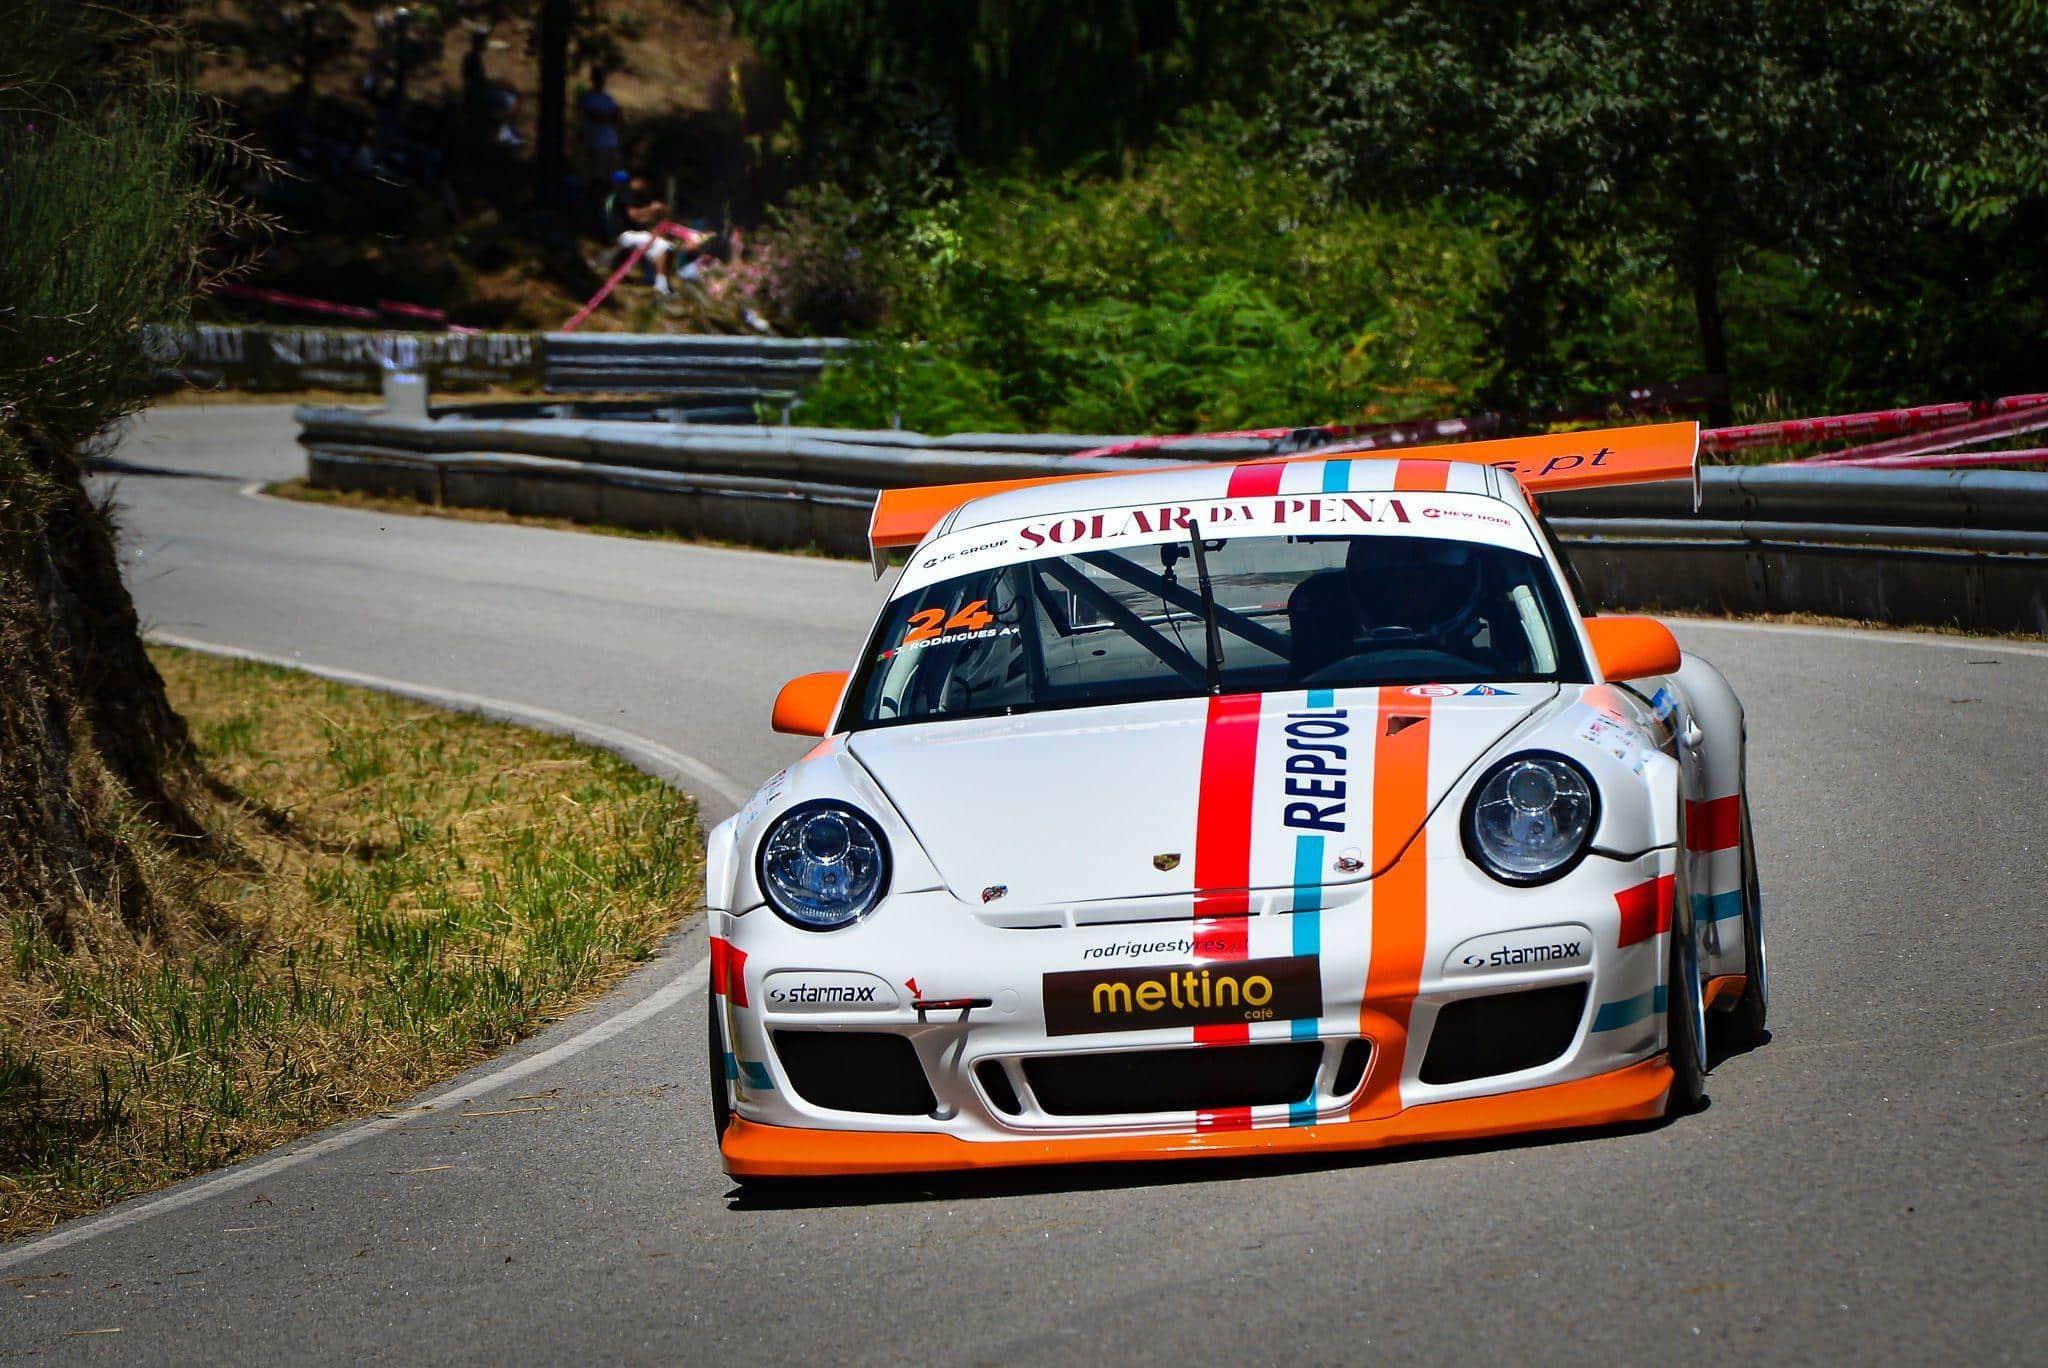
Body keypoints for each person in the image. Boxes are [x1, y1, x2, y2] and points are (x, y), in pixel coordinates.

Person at [578, 68, 624, 186]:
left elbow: (618, 116)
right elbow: (596, 116)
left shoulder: (608, 98)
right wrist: (608, 118)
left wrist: (609, 118)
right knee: (598, 178)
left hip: (611, 143)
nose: (601, 81)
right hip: (596, 144)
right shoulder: (589, 98)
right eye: (599, 78)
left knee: (613, 178)